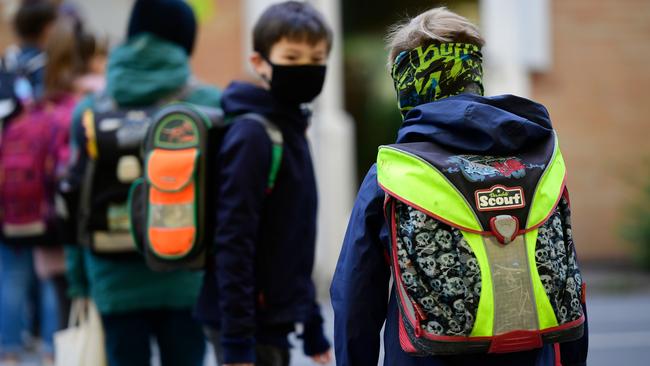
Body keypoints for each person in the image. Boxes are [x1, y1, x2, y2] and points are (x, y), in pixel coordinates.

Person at [330, 7, 589, 366]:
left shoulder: (394, 173)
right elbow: (567, 282)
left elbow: (356, 294)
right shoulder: (539, 161)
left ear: (407, 85)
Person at [63, 1, 220, 365]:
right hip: (185, 271)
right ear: (185, 41)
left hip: (111, 276)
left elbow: (70, 200)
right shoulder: (207, 104)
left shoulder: (88, 110)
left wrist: (79, 282)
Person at [195, 2, 332, 365]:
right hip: (248, 326)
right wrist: (238, 342)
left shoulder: (291, 128)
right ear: (260, 63)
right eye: (292, 55)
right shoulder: (254, 135)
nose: (306, 67)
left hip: (271, 321)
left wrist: (312, 324)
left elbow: (294, 238)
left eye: (317, 58)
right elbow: (233, 240)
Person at [0, 1, 57, 363]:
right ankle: (53, 347)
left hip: (8, 186)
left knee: (10, 269)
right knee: (50, 269)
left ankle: (9, 350)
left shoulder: (5, 65)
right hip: (45, 185)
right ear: (47, 27)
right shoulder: (51, 69)